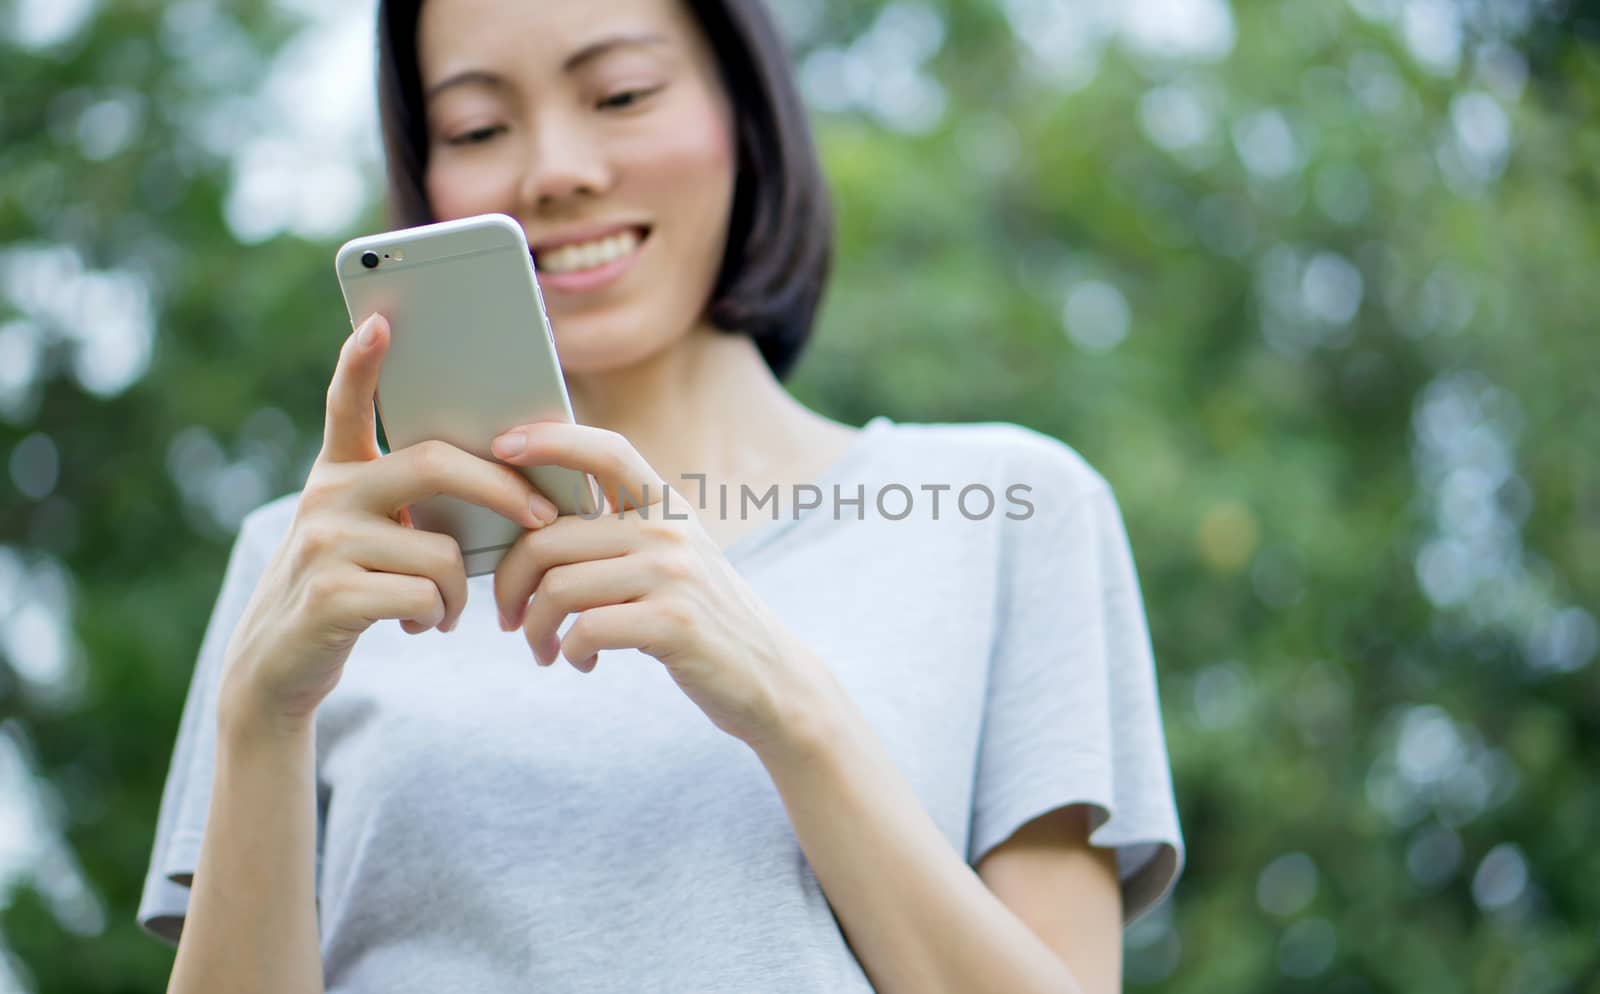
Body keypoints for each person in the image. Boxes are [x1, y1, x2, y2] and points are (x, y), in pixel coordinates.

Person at [137, 0, 1185, 991]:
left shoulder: (1006, 507)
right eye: (477, 124)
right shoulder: (311, 565)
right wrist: (259, 718)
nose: (554, 171)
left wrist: (786, 706)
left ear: (744, 107)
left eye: (622, 94)